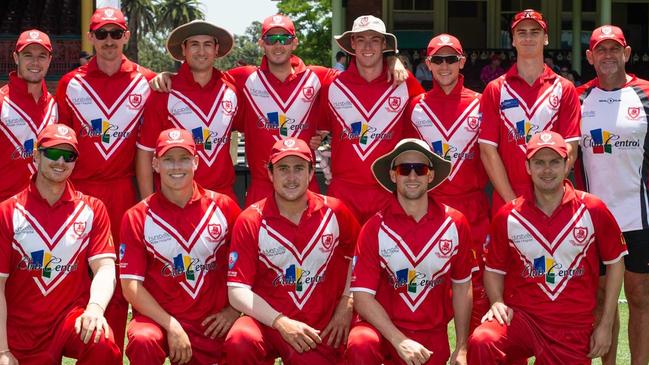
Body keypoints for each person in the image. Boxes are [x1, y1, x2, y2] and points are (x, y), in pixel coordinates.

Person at [467, 131, 627, 364]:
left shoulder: (593, 209)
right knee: (483, 341)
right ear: (528, 167)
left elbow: (616, 263)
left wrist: (606, 324)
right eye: (539, 163)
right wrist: (497, 301)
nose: (547, 170)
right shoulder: (509, 215)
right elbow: (493, 270)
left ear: (567, 164)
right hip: (523, 319)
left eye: (554, 162)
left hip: (572, 326)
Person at [55, 6, 157, 353]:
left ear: (126, 36)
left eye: (116, 33)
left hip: (126, 190)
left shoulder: (147, 80)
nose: (109, 41)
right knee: (78, 279)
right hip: (81, 193)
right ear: (91, 37)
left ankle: (110, 353)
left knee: (123, 273)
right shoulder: (71, 84)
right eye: (102, 34)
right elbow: (61, 143)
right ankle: (89, 349)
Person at [225, 137, 361, 364]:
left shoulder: (336, 211)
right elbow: (237, 291)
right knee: (240, 339)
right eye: (283, 169)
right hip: (268, 322)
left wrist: (347, 303)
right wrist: (280, 322)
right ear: (270, 174)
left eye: (299, 169)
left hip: (319, 325)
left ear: (310, 173)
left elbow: (360, 259)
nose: (291, 177)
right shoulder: (251, 219)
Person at [346, 138, 475, 365]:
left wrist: (462, 347)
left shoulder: (455, 223)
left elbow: (463, 285)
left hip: (432, 336)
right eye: (405, 169)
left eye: (420, 169)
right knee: (360, 342)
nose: (413, 176)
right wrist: (399, 340)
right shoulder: (374, 227)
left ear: (431, 176)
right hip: (383, 332)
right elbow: (362, 298)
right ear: (394, 175)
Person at [0, 124, 121, 365]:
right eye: (53, 153)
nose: (61, 162)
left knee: (102, 343)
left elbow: (105, 268)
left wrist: (95, 308)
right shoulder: (7, 212)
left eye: (69, 156)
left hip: (69, 320)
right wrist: (2, 350)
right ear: (36, 155)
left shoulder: (92, 208)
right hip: (21, 329)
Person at [120, 128, 241, 365]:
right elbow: (130, 288)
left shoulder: (224, 208)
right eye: (168, 160)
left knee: (244, 337)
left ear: (196, 162)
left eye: (184, 159)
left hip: (212, 323)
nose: (177, 167)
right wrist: (170, 324)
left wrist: (233, 312)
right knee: (143, 338)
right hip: (161, 322)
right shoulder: (137, 216)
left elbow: (247, 271)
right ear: (155, 164)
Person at [405, 33, 490, 332]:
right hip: (432, 211)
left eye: (450, 59)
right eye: (437, 59)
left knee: (478, 294)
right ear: (427, 63)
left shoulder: (482, 103)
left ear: (462, 62)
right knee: (429, 294)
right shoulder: (415, 107)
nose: (444, 65)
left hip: (474, 208)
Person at [576, 25, 649, 365]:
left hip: (638, 214)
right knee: (603, 298)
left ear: (627, 53)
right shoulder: (577, 98)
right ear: (590, 57)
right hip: (594, 219)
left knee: (640, 296)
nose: (608, 56)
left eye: (614, 49)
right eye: (600, 50)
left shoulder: (646, 94)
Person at [320, 15, 425, 224]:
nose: (368, 46)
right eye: (361, 40)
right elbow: (314, 130)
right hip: (343, 192)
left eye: (375, 40)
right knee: (342, 257)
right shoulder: (331, 85)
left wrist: (394, 60)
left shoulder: (404, 82)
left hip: (389, 190)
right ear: (352, 44)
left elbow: (428, 118)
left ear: (384, 44)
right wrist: (321, 156)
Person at [478, 9, 581, 215]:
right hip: (508, 201)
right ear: (513, 40)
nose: (528, 37)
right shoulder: (496, 89)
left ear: (545, 39)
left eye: (535, 32)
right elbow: (488, 152)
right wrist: (512, 203)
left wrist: (547, 197)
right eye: (521, 32)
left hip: (553, 202)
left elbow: (570, 149)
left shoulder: (564, 88)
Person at [136, 20, 240, 201]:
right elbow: (145, 153)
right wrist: (148, 205)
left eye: (207, 44)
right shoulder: (164, 92)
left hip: (222, 198)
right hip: (175, 200)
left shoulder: (231, 89)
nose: (201, 51)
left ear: (216, 49)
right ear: (183, 50)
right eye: (194, 45)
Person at [0, 29, 58, 201]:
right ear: (16, 58)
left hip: (44, 207)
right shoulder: (2, 102)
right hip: (5, 208)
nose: (35, 62)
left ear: (49, 60)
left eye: (41, 56)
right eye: (27, 55)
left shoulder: (54, 105)